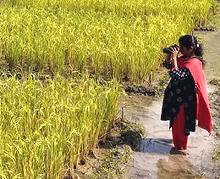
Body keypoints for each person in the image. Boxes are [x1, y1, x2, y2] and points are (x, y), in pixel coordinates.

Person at [161, 34, 212, 153]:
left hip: (184, 102)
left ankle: (180, 153)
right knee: (176, 125)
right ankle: (178, 146)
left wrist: (174, 58)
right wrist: (170, 56)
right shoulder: (185, 59)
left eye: (182, 48)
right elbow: (169, 66)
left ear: (191, 49)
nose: (180, 50)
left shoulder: (194, 63)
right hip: (178, 99)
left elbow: (176, 75)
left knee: (181, 128)